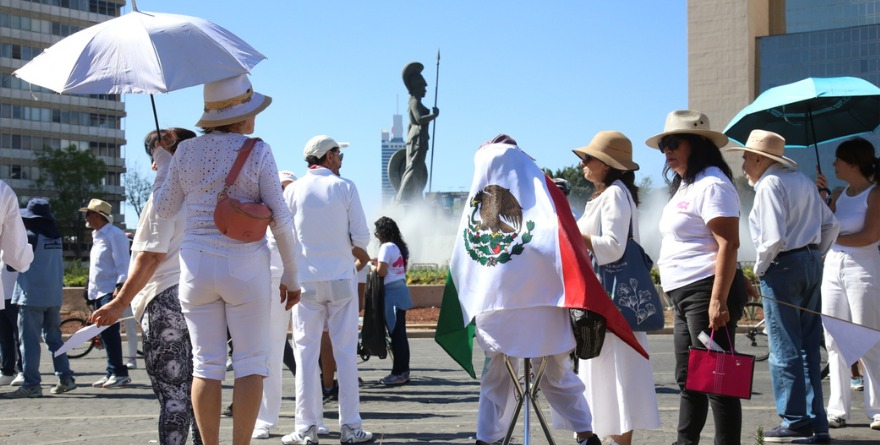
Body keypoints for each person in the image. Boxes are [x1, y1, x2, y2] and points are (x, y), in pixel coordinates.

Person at [154, 74, 301, 445]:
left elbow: (164, 210)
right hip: (245, 266)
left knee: (206, 366)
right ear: (240, 115)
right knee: (252, 363)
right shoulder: (258, 150)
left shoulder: (185, 152)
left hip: (196, 267)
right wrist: (293, 278)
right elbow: (281, 221)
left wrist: (163, 165)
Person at [90, 128, 201, 444]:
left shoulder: (165, 191)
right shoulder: (205, 188)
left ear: (165, 150)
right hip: (202, 295)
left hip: (167, 298)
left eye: (153, 153)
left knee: (174, 396)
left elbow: (152, 255)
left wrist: (120, 301)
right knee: (201, 389)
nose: (152, 163)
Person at [728, 129, 839, 442]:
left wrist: (761, 270)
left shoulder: (769, 183)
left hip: (783, 266)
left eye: (747, 158)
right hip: (810, 262)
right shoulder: (801, 180)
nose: (744, 164)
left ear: (762, 159)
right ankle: (816, 422)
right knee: (807, 347)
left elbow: (773, 237)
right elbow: (832, 224)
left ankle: (794, 420)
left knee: (783, 347)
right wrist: (816, 255)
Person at [646, 110, 748, 444]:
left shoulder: (713, 184)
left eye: (674, 143)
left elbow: (729, 243)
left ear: (698, 144)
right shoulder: (688, 185)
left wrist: (718, 300)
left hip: (705, 292)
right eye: (664, 145)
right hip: (688, 295)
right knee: (688, 378)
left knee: (717, 382)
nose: (667, 151)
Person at [281, 135, 373, 445]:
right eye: (338, 153)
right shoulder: (344, 187)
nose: (341, 158)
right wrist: (342, 246)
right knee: (345, 352)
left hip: (306, 281)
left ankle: (306, 428)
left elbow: (285, 237)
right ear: (328, 156)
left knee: (305, 354)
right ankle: (350, 426)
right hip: (340, 279)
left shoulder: (292, 191)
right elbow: (361, 236)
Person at [572, 131, 660, 445]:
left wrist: (570, 232)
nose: (582, 162)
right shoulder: (609, 194)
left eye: (588, 158)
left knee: (614, 377)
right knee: (610, 379)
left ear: (607, 164)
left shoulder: (613, 195)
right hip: (603, 302)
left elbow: (611, 248)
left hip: (610, 304)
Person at [816, 137, 880, 432]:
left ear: (853, 163)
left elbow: (870, 236)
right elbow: (822, 227)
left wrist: (834, 240)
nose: (834, 164)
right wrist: (821, 197)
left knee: (868, 338)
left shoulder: (875, 194)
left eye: (838, 160)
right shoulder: (839, 194)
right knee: (833, 338)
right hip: (833, 269)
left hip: (863, 270)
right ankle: (837, 410)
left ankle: (877, 409)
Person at [0, 199, 74, 399]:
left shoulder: (31, 237)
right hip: (53, 296)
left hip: (31, 296)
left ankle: (32, 384)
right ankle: (65, 377)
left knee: (29, 342)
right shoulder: (56, 238)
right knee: (55, 340)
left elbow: (12, 266)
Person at [251, 170, 299, 440]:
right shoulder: (263, 213)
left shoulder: (302, 212)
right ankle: (265, 419)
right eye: (279, 186)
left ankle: (311, 418)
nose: (284, 192)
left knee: (307, 353)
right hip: (270, 288)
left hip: (303, 284)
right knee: (268, 352)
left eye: (288, 187)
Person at [80, 198, 131, 388]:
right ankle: (111, 371)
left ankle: (119, 373)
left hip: (109, 290)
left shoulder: (115, 235)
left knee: (111, 333)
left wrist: (120, 287)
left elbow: (123, 264)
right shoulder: (98, 235)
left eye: (89, 213)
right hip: (98, 291)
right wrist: (89, 289)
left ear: (99, 216)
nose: (86, 217)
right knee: (104, 334)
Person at [371, 216, 413, 385]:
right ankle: (404, 371)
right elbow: (399, 269)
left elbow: (381, 273)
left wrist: (372, 266)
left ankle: (399, 373)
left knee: (396, 335)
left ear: (382, 232)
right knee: (400, 334)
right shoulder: (402, 247)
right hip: (401, 291)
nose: (376, 235)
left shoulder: (386, 247)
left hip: (391, 295)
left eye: (377, 232)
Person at [0, 180, 32, 387]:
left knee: (14, 335)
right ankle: (9, 369)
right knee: (8, 335)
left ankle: (18, 370)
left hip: (13, 294)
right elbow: (19, 258)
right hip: (6, 293)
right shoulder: (2, 191)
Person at [394, 62, 439, 203]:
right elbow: (419, 119)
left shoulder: (416, 102)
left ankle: (415, 197)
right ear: (417, 87)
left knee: (417, 170)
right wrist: (433, 116)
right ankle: (400, 198)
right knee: (412, 168)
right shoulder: (414, 103)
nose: (425, 90)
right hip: (417, 139)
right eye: (423, 87)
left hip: (420, 138)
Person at [0, 265, 21, 386]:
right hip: (1, 298)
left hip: (15, 296)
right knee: (4, 337)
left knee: (20, 337)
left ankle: (22, 371)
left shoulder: (13, 246)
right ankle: (7, 371)